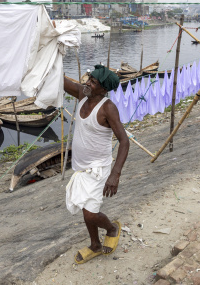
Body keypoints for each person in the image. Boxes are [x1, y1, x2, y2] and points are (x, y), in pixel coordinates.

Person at [63, 65, 130, 264]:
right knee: (86, 209)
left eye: (93, 82)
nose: (87, 84)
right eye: (88, 79)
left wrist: (115, 174)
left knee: (91, 213)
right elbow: (60, 80)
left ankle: (111, 229)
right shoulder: (82, 94)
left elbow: (124, 141)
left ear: (103, 89)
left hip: (99, 169)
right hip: (81, 169)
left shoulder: (108, 107)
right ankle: (95, 245)